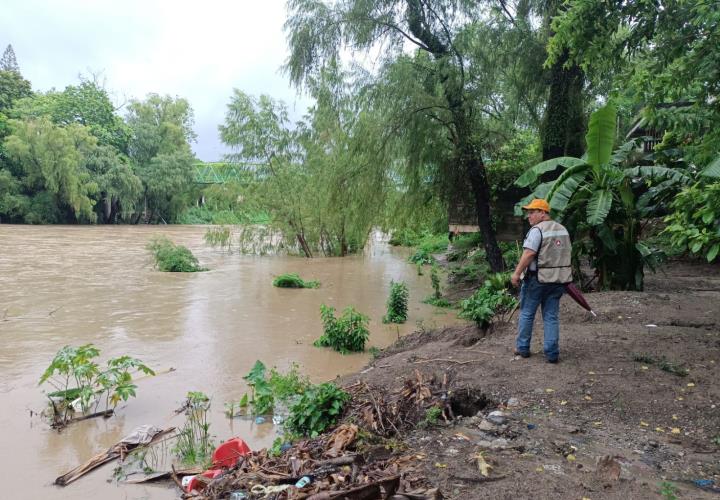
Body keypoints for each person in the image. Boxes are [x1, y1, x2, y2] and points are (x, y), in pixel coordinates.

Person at [510, 199, 572, 363]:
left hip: (537, 280)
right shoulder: (562, 230)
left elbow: (529, 254)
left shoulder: (537, 230)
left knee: (527, 313)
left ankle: (523, 348)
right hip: (558, 281)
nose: (528, 216)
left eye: (532, 212)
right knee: (551, 316)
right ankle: (552, 354)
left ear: (543, 213)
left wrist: (516, 274)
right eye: (528, 213)